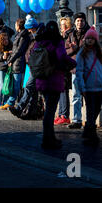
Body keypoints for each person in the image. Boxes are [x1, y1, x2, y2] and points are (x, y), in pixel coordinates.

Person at [34, 21, 77, 149]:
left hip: (41, 79)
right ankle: (48, 140)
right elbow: (61, 56)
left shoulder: (40, 41)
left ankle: (50, 137)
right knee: (50, 112)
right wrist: (74, 63)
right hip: (53, 79)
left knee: (48, 110)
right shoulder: (57, 41)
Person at [75, 27, 102, 146]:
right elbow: (79, 72)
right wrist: (82, 88)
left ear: (96, 40)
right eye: (88, 38)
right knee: (90, 110)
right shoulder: (82, 54)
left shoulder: (100, 53)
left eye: (92, 38)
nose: (90, 40)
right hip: (88, 88)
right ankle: (92, 135)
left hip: (99, 86)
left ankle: (87, 129)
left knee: (97, 109)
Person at [10, 16, 44, 114]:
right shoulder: (33, 36)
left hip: (36, 65)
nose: (29, 31)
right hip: (31, 64)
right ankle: (30, 110)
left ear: (33, 28)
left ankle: (20, 107)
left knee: (29, 86)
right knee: (31, 88)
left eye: (29, 29)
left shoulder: (38, 36)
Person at [65, 12, 90, 129]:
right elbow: (65, 51)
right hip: (75, 68)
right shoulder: (70, 34)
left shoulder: (90, 33)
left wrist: (77, 48)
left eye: (82, 21)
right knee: (76, 95)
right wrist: (72, 48)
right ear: (75, 22)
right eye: (78, 21)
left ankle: (90, 120)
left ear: (85, 22)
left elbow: (91, 48)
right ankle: (76, 120)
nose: (80, 23)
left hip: (87, 68)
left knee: (88, 95)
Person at [0, 18, 30, 110]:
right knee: (16, 84)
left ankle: (11, 102)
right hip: (16, 62)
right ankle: (12, 102)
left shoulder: (23, 36)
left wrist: (11, 60)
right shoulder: (20, 35)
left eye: (16, 24)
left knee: (17, 85)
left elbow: (19, 50)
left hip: (19, 62)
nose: (15, 26)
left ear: (18, 26)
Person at [55, 17, 74, 125]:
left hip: (66, 66)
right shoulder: (63, 35)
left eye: (62, 24)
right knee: (61, 90)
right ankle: (61, 113)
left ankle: (65, 115)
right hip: (61, 66)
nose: (61, 26)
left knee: (64, 91)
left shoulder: (70, 35)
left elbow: (71, 49)